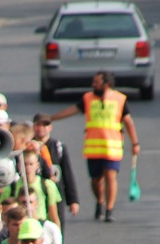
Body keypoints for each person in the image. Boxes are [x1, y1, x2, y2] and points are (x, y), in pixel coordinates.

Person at [50, 70, 140, 223]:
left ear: (106, 84)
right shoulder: (88, 98)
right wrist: (52, 118)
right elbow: (72, 110)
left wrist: (135, 143)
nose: (93, 85)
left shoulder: (120, 99)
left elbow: (128, 122)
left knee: (110, 177)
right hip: (93, 148)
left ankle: (109, 210)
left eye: (96, 82)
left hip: (112, 147)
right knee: (96, 180)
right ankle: (100, 201)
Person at [32, 112, 80, 228]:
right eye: (38, 125)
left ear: (51, 127)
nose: (41, 128)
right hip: (36, 194)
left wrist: (73, 200)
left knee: (57, 227)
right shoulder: (29, 146)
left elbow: (67, 173)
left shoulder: (58, 147)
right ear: (33, 126)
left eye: (45, 125)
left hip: (56, 194)